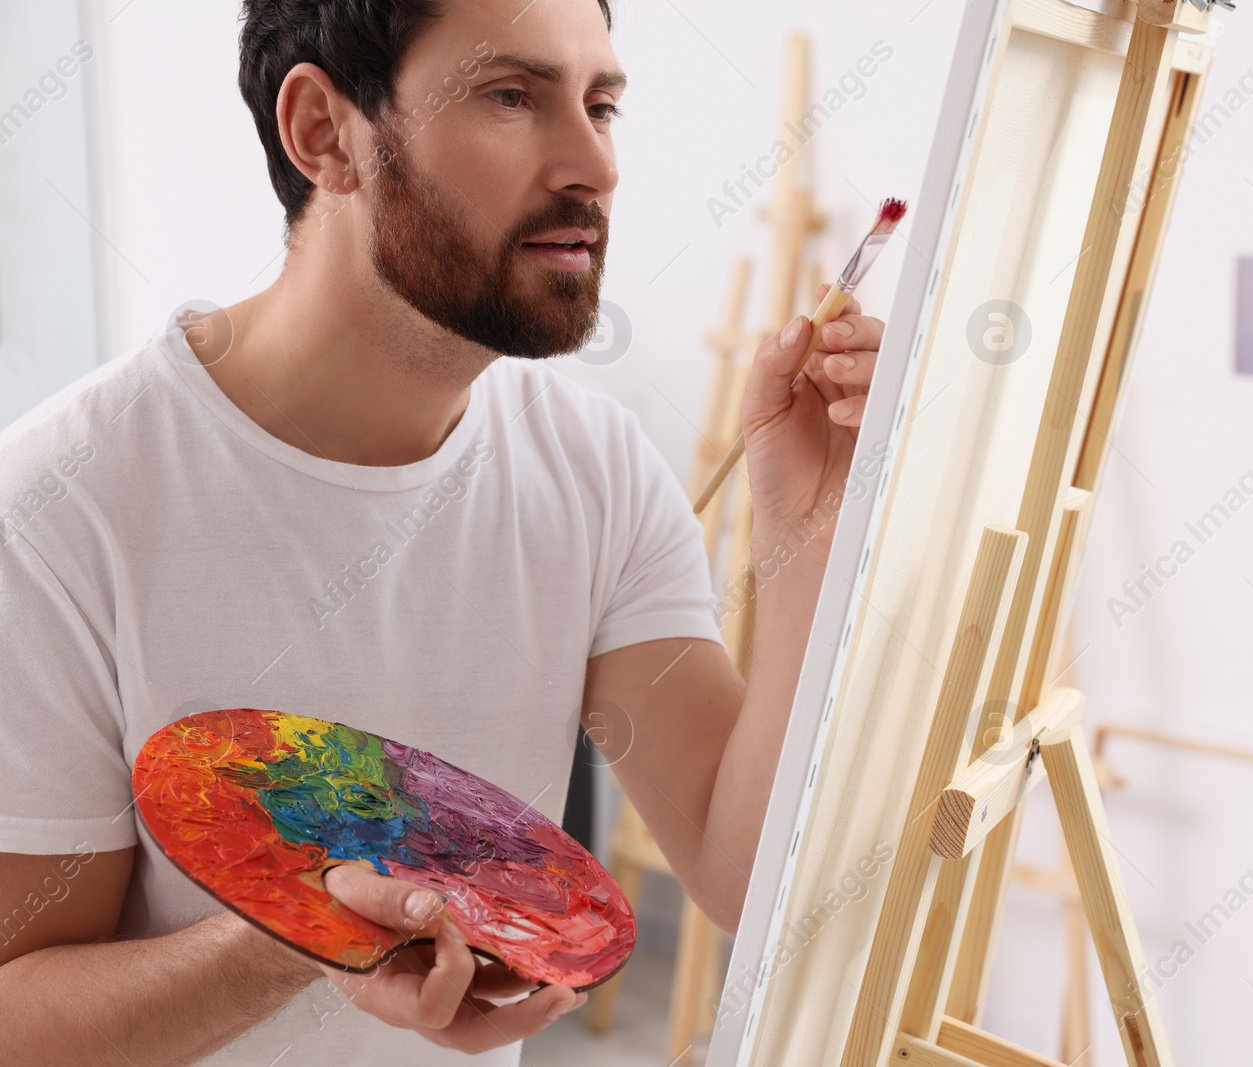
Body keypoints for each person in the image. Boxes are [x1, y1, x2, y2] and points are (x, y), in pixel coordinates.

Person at [0, 0, 884, 1062]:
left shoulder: (594, 470)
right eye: (510, 96)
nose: (591, 164)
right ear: (324, 132)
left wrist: (811, 519)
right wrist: (310, 931)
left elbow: (739, 871)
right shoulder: (56, 509)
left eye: (601, 103)